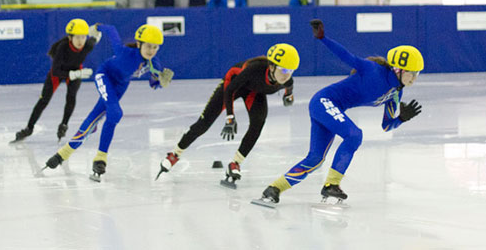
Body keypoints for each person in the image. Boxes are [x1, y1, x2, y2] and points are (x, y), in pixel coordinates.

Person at [256, 19, 423, 205]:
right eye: (412, 72)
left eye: (418, 74)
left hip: (330, 109)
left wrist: (401, 118)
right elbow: (346, 56)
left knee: (315, 159)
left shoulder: (396, 92)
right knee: (354, 135)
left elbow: (386, 126)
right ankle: (331, 185)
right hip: (324, 101)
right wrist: (323, 38)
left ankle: (274, 188)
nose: (415, 78)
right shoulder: (373, 70)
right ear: (398, 69)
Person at [156, 43, 300, 188]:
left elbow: (289, 87)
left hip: (254, 91)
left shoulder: (287, 80)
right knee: (204, 123)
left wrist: (288, 97)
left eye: (291, 71)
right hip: (233, 86)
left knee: (258, 122)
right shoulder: (254, 70)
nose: (287, 75)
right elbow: (230, 90)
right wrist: (230, 117)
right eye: (284, 70)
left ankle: (235, 163)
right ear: (272, 66)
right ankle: (174, 154)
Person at [44, 24, 174, 181]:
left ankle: (62, 154)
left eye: (155, 47)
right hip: (104, 75)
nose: (151, 51)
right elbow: (113, 30)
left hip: (120, 86)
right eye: (148, 46)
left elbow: (153, 84)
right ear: (139, 44)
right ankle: (100, 158)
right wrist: (99, 27)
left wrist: (160, 82)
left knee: (97, 118)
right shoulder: (124, 52)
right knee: (115, 112)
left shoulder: (154, 64)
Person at [12, 19, 101, 142]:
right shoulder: (62, 47)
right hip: (60, 72)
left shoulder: (88, 45)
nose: (81, 41)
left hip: (75, 71)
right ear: (70, 38)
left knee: (71, 97)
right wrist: (76, 74)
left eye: (83, 37)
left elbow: (95, 37)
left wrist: (96, 30)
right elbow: (56, 71)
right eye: (77, 37)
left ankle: (64, 124)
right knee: (43, 100)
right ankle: (29, 128)